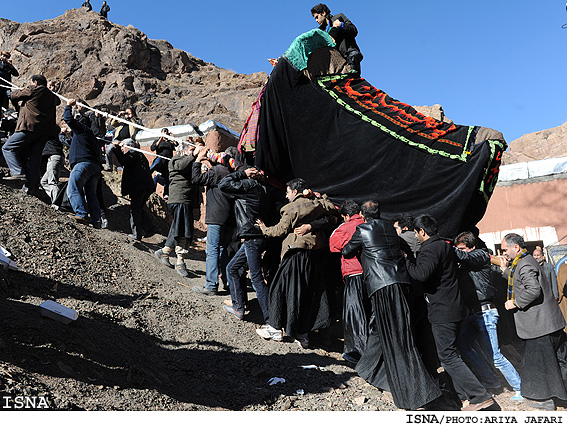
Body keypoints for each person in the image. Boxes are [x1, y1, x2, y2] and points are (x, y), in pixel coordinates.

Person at [341, 201, 441, 410]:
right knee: (386, 331)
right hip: (402, 284)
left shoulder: (363, 229)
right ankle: (370, 370)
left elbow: (347, 252)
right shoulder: (390, 228)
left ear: (362, 214)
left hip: (381, 286)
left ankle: (414, 394)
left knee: (395, 337)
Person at [405, 214, 498, 411]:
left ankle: (479, 396)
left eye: (416, 233)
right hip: (457, 308)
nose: (416, 236)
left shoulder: (429, 249)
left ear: (422, 231)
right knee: (454, 354)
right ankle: (464, 396)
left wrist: (407, 261)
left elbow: (421, 274)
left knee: (447, 356)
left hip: (443, 312)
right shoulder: (446, 246)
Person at [255, 178, 338, 348]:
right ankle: (302, 334)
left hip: (296, 254)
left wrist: (264, 229)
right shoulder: (319, 204)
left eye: (287, 192)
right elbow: (331, 208)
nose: (286, 196)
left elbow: (280, 230)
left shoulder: (291, 208)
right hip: (314, 255)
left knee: (279, 288)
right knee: (306, 294)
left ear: (294, 191)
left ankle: (275, 328)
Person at [453, 231, 523, 402]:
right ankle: (491, 381)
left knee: (495, 356)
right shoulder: (466, 261)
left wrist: (446, 248)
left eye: (462, 248)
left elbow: (466, 257)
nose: (459, 251)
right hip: (474, 313)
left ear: (472, 247)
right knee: (464, 346)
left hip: (486, 312)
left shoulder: (480, 255)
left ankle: (519, 387)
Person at [501, 233, 567, 410]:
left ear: (516, 247)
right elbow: (519, 281)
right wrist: (504, 270)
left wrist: (514, 302)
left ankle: (546, 399)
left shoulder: (524, 263)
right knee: (557, 362)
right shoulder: (523, 262)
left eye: (505, 249)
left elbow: (533, 290)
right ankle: (558, 398)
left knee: (545, 365)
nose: (503, 253)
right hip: (545, 324)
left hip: (540, 326)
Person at [218, 166, 270, 321]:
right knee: (232, 268)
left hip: (252, 237)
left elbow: (223, 184)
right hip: (253, 236)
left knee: (255, 278)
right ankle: (238, 307)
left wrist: (242, 174)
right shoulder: (263, 188)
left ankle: (271, 320)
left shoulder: (250, 185)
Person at [2, 74, 61, 195]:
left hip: (29, 127)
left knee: (8, 147)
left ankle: (18, 173)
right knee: (35, 158)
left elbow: (13, 95)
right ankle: (30, 186)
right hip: (45, 132)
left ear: (35, 82)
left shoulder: (34, 89)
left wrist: (8, 89)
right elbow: (58, 101)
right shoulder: (52, 96)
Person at [191, 145, 235, 296]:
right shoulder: (234, 173)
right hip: (230, 218)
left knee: (212, 250)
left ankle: (211, 285)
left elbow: (196, 178)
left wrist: (198, 159)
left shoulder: (217, 171)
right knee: (224, 250)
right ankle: (229, 283)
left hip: (216, 216)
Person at [328, 199, 369, 364]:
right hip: (371, 275)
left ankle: (356, 353)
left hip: (353, 274)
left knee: (354, 315)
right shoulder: (370, 223)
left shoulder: (345, 227)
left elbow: (332, 245)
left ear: (345, 215)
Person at [154, 144, 199, 277]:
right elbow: (181, 166)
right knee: (182, 230)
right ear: (184, 150)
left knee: (179, 227)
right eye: (192, 149)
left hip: (185, 201)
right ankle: (180, 261)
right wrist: (194, 155)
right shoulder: (176, 160)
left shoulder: (188, 161)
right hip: (179, 199)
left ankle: (165, 251)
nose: (194, 152)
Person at [64, 99, 102, 227]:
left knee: (73, 188)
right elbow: (70, 143)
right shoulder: (89, 136)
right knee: (91, 194)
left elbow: (68, 119)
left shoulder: (82, 130)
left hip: (83, 164)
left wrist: (68, 106)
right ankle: (97, 220)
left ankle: (81, 214)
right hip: (95, 167)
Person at [110, 139, 156, 240]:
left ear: (129, 146)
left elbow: (124, 161)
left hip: (139, 186)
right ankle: (150, 227)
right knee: (138, 208)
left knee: (135, 209)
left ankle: (137, 234)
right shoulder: (138, 154)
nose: (122, 148)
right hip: (145, 186)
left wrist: (116, 148)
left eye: (123, 146)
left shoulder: (133, 152)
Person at [311, 3, 363, 74]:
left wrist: (341, 25)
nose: (316, 20)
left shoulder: (339, 17)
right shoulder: (320, 32)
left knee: (353, 79)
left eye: (317, 17)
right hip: (337, 63)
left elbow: (354, 31)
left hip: (350, 56)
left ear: (323, 13)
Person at [40, 122, 70, 204]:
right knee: (44, 182)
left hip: (54, 157)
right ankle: (59, 199)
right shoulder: (55, 136)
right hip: (57, 157)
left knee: (52, 182)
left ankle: (57, 204)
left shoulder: (50, 134)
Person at [105, 107, 140, 171]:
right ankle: (109, 166)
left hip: (128, 139)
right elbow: (112, 124)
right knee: (108, 149)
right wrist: (119, 115)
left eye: (129, 112)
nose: (127, 114)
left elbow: (137, 126)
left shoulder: (134, 121)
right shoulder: (121, 120)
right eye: (126, 112)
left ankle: (129, 163)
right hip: (117, 139)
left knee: (130, 144)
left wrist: (131, 117)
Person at [149, 128, 177, 198]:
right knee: (156, 163)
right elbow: (152, 148)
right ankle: (147, 173)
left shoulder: (170, 142)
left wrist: (173, 138)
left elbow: (176, 145)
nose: (165, 134)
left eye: (166, 132)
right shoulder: (157, 141)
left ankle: (166, 194)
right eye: (163, 132)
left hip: (168, 162)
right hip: (160, 158)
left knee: (167, 178)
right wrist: (160, 140)